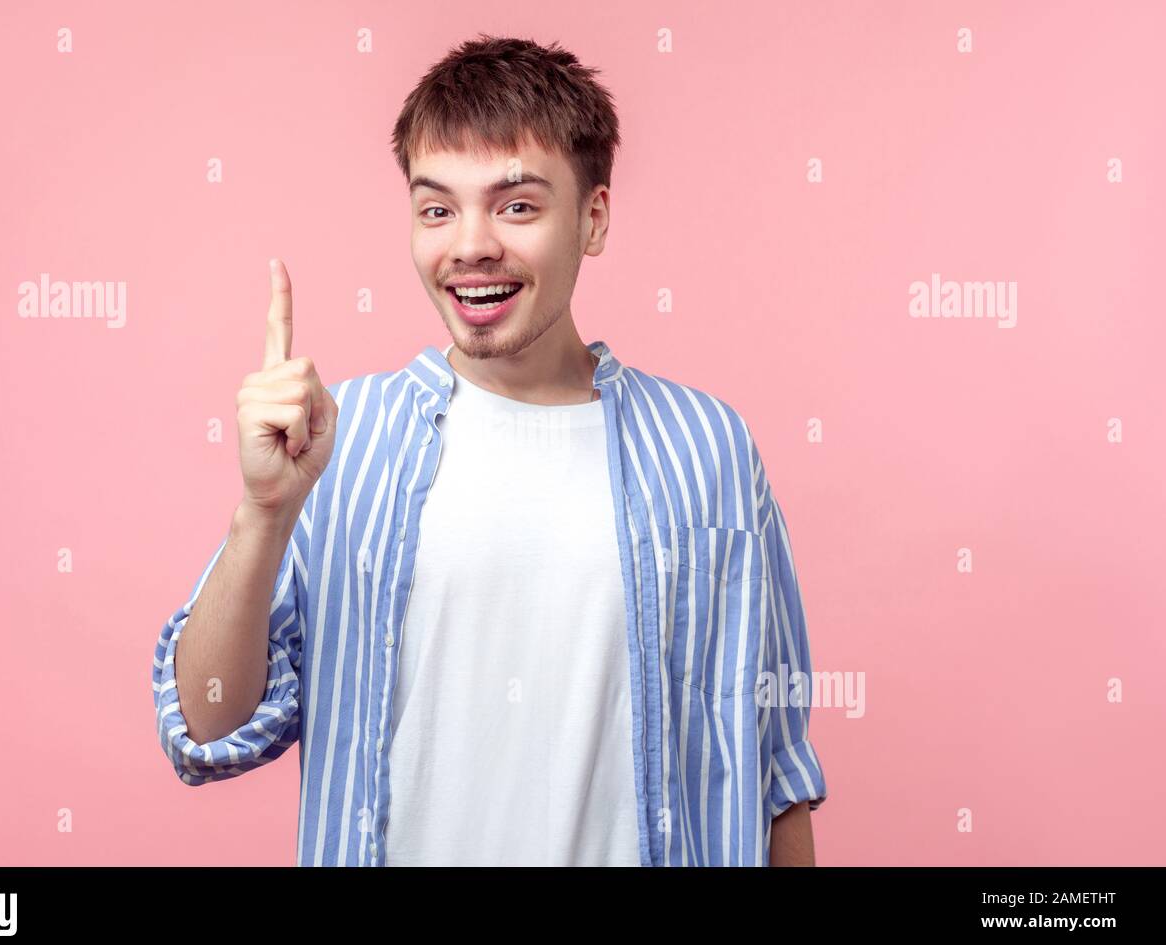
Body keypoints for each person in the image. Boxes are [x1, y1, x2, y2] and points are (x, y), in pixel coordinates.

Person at [152, 33, 827, 866]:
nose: (469, 245)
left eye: (515, 206)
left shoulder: (708, 449)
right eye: (437, 208)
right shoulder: (338, 439)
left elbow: (774, 771)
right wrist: (263, 515)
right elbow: (205, 729)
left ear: (594, 218)